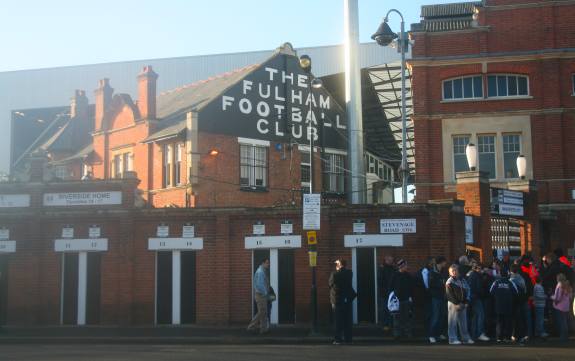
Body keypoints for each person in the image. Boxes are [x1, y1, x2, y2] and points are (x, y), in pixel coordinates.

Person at [445, 264, 473, 345]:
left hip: (463, 304)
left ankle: (465, 338)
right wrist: (456, 303)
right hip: (453, 304)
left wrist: (466, 302)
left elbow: (468, 290)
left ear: (458, 271)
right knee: (452, 322)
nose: (454, 272)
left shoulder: (463, 280)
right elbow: (449, 294)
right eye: (452, 271)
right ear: (450, 273)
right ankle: (452, 339)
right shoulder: (449, 281)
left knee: (464, 322)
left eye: (455, 270)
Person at [329, 259, 355, 344]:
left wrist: (337, 269)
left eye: (337, 264)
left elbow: (330, 284)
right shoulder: (349, 273)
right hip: (347, 299)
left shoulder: (335, 274)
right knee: (348, 320)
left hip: (337, 300)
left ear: (339, 265)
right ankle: (348, 339)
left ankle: (338, 339)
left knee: (338, 321)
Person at [490, 269, 518, 342]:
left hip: (498, 306)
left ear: (500, 275)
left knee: (499, 322)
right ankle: (507, 337)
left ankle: (499, 337)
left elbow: (491, 292)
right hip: (508, 306)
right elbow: (516, 292)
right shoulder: (510, 282)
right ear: (507, 275)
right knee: (507, 322)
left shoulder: (496, 282)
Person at [390, 259, 414, 340]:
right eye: (405, 265)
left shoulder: (408, 276)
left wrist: (410, 297)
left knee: (407, 317)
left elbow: (411, 287)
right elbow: (391, 287)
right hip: (397, 300)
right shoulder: (395, 275)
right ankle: (397, 334)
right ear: (401, 266)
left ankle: (408, 334)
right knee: (397, 318)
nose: (407, 267)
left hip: (406, 299)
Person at [247, 258, 270, 334]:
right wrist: (265, 292)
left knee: (264, 312)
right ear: (263, 263)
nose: (268, 264)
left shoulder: (262, 271)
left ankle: (263, 329)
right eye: (267, 263)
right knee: (262, 312)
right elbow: (259, 285)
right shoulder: (260, 272)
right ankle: (251, 326)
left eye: (268, 263)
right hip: (260, 295)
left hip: (261, 295)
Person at [467, 262, 489, 341]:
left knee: (475, 316)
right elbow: (479, 288)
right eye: (480, 268)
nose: (481, 270)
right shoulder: (477, 276)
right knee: (481, 315)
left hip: (472, 298)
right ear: (477, 268)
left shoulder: (471, 275)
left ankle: (474, 334)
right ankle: (480, 333)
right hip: (476, 298)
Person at [428, 256, 448, 343]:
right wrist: (441, 284)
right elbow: (431, 284)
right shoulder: (433, 273)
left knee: (442, 315)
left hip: (442, 297)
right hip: (436, 297)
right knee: (436, 316)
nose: (445, 264)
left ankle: (439, 334)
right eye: (444, 262)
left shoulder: (442, 272)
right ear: (441, 262)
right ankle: (431, 335)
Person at [550, 273, 572, 341]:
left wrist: (551, 297)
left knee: (561, 322)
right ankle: (566, 336)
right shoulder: (568, 285)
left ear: (558, 278)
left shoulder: (559, 286)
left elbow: (558, 298)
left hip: (559, 306)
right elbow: (570, 297)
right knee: (565, 322)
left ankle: (562, 337)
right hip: (566, 306)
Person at [509, 263, 528, 343]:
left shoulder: (511, 279)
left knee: (515, 319)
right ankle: (523, 334)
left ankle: (515, 335)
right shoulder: (521, 278)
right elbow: (525, 290)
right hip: (522, 300)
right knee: (521, 318)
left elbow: (510, 291)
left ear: (510, 271)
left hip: (514, 301)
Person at [377, 255, 396, 331]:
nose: (391, 261)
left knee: (392, 309)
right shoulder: (382, 269)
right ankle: (385, 325)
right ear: (386, 260)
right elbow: (380, 282)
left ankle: (391, 324)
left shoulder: (393, 269)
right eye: (390, 260)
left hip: (392, 293)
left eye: (392, 260)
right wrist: (384, 291)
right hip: (384, 293)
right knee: (384, 309)